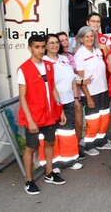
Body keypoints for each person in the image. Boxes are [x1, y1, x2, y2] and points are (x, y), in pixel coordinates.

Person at [18, 35, 67, 195]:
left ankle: (49, 173)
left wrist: (61, 110)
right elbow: (22, 98)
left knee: (50, 143)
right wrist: (31, 120)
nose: (40, 50)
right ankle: (29, 180)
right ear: (30, 48)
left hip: (49, 115)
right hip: (33, 117)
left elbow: (53, 89)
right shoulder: (23, 69)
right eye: (36, 47)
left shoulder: (49, 65)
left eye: (42, 47)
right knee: (31, 148)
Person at [43, 34, 83, 170]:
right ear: (46, 46)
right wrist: (58, 105)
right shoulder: (44, 62)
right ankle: (53, 163)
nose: (55, 45)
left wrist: (76, 98)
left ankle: (69, 160)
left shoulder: (64, 59)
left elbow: (72, 79)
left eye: (56, 42)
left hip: (69, 101)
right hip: (54, 104)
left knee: (68, 132)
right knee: (53, 134)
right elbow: (48, 86)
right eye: (51, 43)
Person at [74, 26, 111, 156]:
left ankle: (101, 141)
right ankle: (89, 144)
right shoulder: (80, 54)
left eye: (91, 36)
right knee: (93, 119)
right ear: (81, 39)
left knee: (104, 116)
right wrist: (88, 97)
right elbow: (80, 78)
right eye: (87, 36)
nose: (90, 38)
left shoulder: (97, 50)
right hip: (91, 92)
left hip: (103, 89)